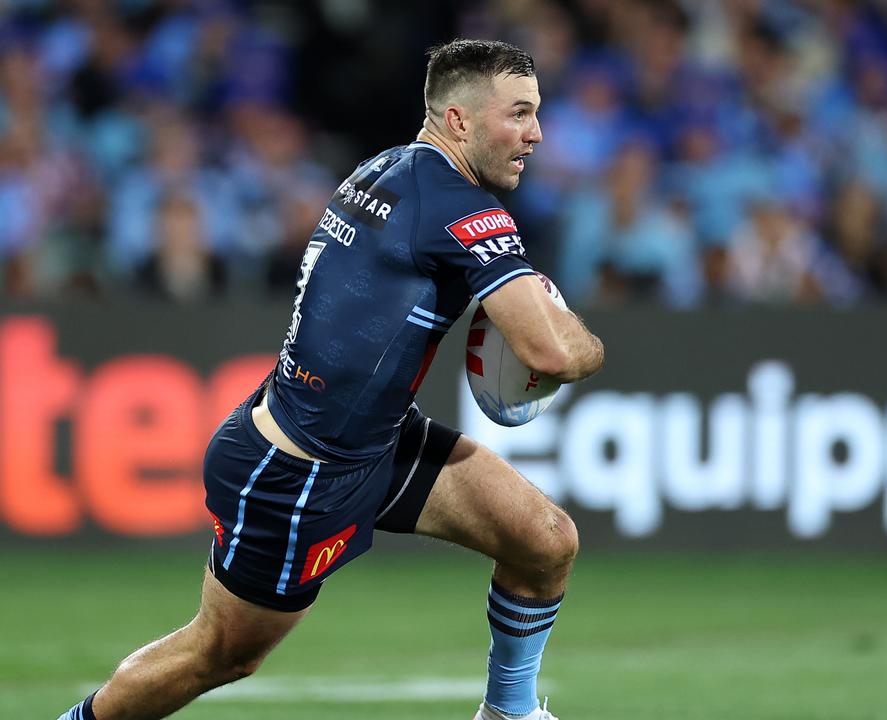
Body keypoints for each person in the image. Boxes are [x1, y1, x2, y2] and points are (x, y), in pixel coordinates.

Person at [59, 39, 603, 720]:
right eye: (519, 113)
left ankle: (510, 714)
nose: (536, 133)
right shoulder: (455, 205)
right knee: (222, 654)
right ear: (460, 120)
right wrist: (589, 344)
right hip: (300, 474)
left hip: (374, 441)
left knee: (543, 539)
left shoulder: (391, 167)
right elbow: (549, 353)